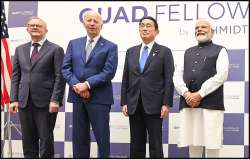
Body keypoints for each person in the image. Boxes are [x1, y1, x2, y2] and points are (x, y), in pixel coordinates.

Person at [61, 10, 118, 158]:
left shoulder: (111, 46)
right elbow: (66, 69)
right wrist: (78, 87)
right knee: (79, 138)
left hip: (99, 98)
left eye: (95, 21)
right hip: (78, 97)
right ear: (84, 23)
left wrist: (87, 84)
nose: (92, 23)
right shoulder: (74, 43)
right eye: (89, 20)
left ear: (101, 25)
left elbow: (108, 72)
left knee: (102, 138)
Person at [9, 16, 66, 158]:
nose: (34, 27)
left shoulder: (56, 49)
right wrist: (13, 99)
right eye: (31, 25)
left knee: (46, 140)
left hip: (46, 103)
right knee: (28, 141)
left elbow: (60, 76)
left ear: (45, 30)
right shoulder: (20, 49)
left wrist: (56, 100)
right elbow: (16, 76)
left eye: (38, 25)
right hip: (24, 102)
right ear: (27, 29)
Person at [173, 19, 229, 158]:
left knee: (212, 144)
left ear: (212, 32)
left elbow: (221, 75)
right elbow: (177, 75)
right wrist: (186, 94)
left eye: (204, 27)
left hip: (211, 105)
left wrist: (200, 94)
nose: (200, 29)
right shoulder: (187, 52)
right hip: (189, 103)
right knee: (194, 143)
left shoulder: (220, 50)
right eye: (197, 27)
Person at [120, 16, 174, 158]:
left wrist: (166, 103)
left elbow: (169, 79)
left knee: (156, 145)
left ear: (156, 31)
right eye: (142, 25)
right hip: (134, 103)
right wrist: (124, 102)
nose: (144, 28)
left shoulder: (164, 52)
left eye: (149, 26)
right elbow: (126, 77)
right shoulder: (130, 51)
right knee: (136, 145)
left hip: (155, 105)